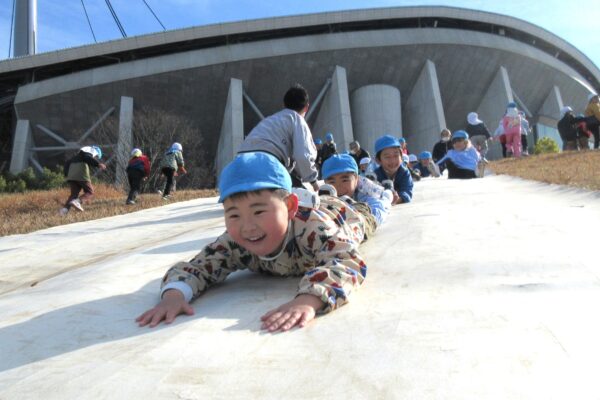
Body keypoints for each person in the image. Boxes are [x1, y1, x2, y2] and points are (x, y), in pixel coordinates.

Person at [136, 152, 373, 332]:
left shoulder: (314, 229)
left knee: (366, 215)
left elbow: (347, 260)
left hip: (342, 215)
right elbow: (198, 265)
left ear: (289, 206)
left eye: (259, 212)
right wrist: (175, 296)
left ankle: (362, 199)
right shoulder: (235, 242)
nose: (247, 226)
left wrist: (309, 299)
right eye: (234, 215)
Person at [239, 84, 319, 190]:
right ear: (306, 107)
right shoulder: (297, 119)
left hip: (241, 161)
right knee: (299, 199)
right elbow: (302, 156)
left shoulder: (269, 120)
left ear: (284, 105)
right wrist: (313, 181)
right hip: (269, 162)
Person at [321, 154, 392, 227]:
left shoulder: (363, 194)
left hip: (377, 195)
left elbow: (378, 210)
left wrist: (365, 221)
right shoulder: (326, 195)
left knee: (386, 199)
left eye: (344, 180)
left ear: (356, 179)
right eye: (332, 182)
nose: (338, 187)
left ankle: (388, 191)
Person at [60, 145, 107, 215]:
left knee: (74, 194)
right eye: (96, 156)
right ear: (97, 152)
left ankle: (63, 211)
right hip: (80, 170)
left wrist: (67, 175)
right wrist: (98, 164)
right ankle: (77, 201)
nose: (95, 157)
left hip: (71, 173)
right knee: (90, 191)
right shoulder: (91, 150)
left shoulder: (78, 154)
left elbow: (67, 163)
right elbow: (87, 157)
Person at [373, 135, 413, 205]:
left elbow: (407, 192)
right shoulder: (375, 175)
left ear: (401, 157)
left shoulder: (404, 173)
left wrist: (397, 199)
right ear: (378, 160)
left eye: (396, 155)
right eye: (387, 157)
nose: (393, 161)